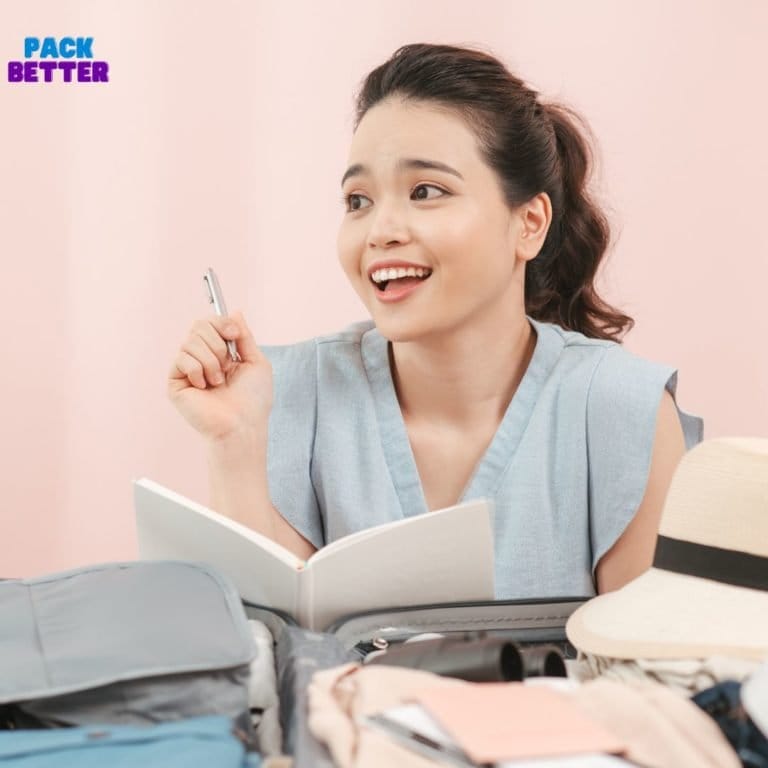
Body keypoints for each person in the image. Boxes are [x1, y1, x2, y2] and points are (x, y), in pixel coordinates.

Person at [167, 43, 702, 599]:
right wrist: (234, 442)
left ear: (529, 223)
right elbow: (268, 647)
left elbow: (641, 674)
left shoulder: (620, 411)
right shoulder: (285, 394)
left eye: (426, 191)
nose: (381, 230)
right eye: (358, 200)